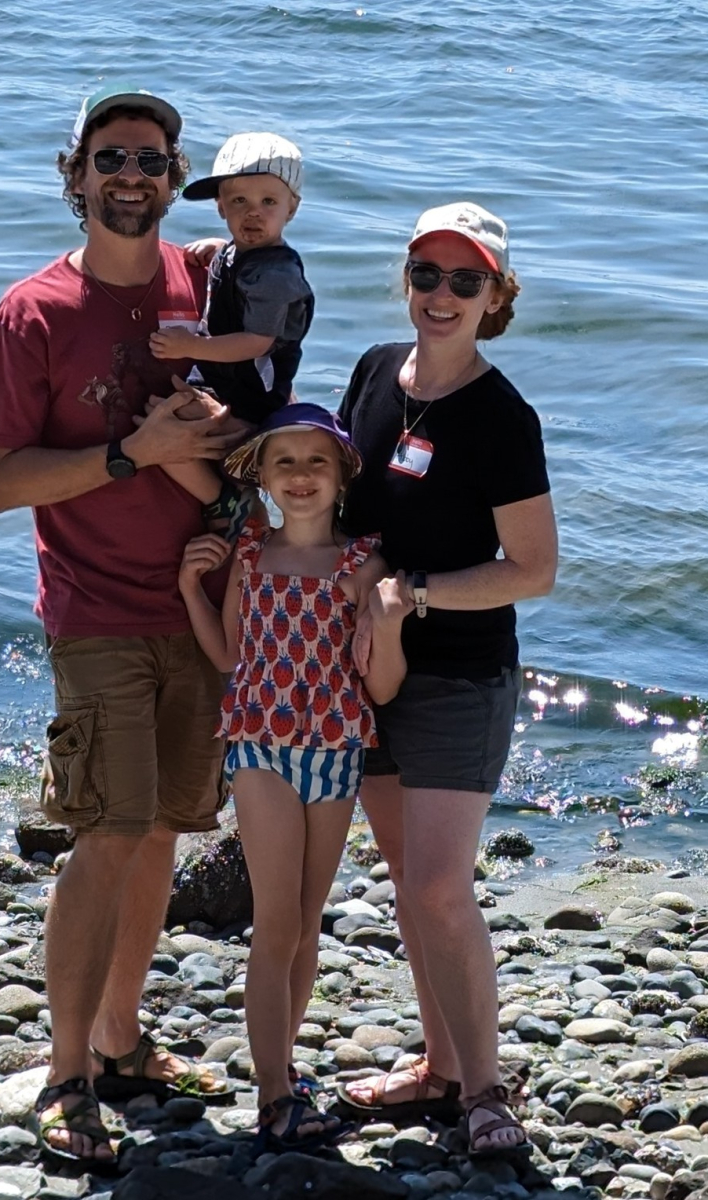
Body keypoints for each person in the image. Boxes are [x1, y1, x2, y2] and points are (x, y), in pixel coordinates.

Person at [0, 83, 244, 1172]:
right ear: (75, 174)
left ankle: (122, 1042)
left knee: (166, 828)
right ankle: (65, 1074)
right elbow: (1, 481)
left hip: (203, 609)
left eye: (150, 160)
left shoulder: (207, 286)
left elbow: (257, 415)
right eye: (111, 158)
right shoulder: (33, 312)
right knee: (107, 831)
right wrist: (133, 455)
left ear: (175, 181)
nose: (131, 176)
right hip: (93, 611)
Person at [334, 202, 558, 1163]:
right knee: (405, 880)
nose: (441, 294)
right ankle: (436, 1068)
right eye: (426, 273)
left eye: (465, 281)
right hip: (362, 666)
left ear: (495, 298)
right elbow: (340, 502)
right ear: (406, 279)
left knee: (435, 886)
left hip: (458, 675)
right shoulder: (374, 370)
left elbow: (532, 569)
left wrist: (411, 592)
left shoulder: (501, 416)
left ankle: (485, 1089)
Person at [177, 403, 407, 1152]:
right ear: (262, 476)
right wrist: (190, 590)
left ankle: (284, 1067)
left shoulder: (363, 565)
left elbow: (381, 687)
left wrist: (388, 622)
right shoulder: (250, 555)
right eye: (285, 462)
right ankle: (273, 1092)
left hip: (335, 748)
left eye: (316, 462)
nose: (301, 475)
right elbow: (227, 657)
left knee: (307, 921)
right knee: (276, 920)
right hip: (259, 747)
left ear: (342, 475)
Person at [148, 133, 314, 530]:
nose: (253, 213)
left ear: (291, 209)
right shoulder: (238, 253)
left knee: (163, 421)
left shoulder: (275, 276)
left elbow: (256, 342)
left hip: (253, 394)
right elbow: (239, 258)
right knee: (156, 414)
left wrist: (190, 346)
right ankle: (230, 482)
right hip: (225, 380)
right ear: (220, 206)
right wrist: (220, 248)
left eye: (268, 202)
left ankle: (224, 501)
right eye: (239, 201)